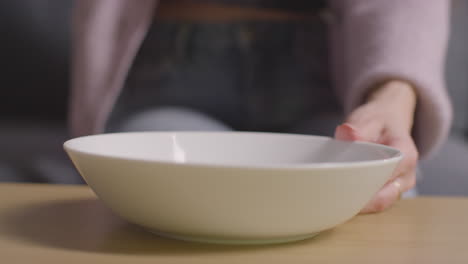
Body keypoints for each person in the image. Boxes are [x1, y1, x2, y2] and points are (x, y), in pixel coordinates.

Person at [69, 0, 453, 213]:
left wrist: (393, 95)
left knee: (371, 201)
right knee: (170, 203)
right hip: (173, 73)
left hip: (322, 79)